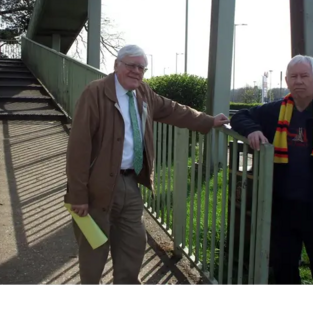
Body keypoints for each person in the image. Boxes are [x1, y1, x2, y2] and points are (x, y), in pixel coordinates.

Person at [65, 44, 229, 285]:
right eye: (131, 65)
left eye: (142, 67)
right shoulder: (96, 93)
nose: (136, 71)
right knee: (93, 250)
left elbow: (174, 110)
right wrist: (78, 193)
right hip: (96, 187)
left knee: (133, 245)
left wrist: (208, 121)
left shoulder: (143, 93)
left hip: (130, 183)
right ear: (116, 65)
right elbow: (78, 146)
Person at [230, 54, 313, 285]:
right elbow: (241, 116)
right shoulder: (275, 110)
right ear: (286, 81)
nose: (299, 81)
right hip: (284, 207)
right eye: (293, 76)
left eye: (304, 76)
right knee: (284, 268)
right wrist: (253, 130)